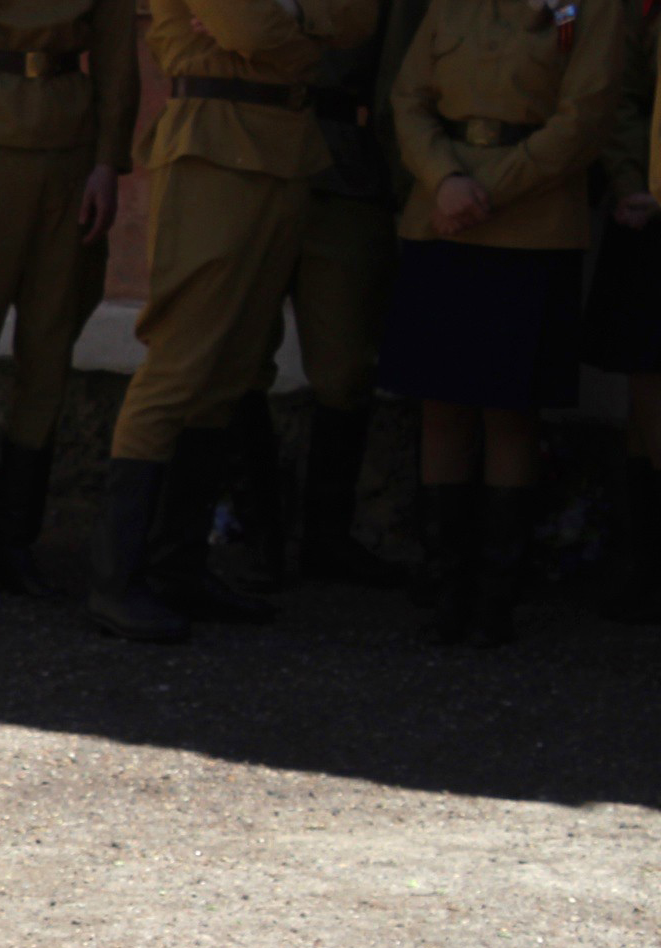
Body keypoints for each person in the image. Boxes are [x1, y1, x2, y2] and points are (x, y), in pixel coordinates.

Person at [91, 0, 380, 642]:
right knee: (179, 362)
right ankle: (117, 580)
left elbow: (359, 17)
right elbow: (248, 25)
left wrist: (285, 15)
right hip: (211, 146)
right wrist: (301, 34)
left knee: (230, 372)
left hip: (285, 150)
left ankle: (178, 569)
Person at [376, 0, 622, 644]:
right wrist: (446, 179)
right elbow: (408, 97)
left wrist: (485, 189)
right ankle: (443, 586)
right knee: (441, 403)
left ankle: (494, 597)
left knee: (510, 409)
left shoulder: (591, 9)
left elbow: (585, 119)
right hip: (442, 215)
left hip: (530, 226)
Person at [0, 0, 137, 598]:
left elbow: (115, 53)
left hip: (69, 147)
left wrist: (109, 161)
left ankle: (16, 544)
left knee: (48, 350)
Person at [217, 12, 406, 590]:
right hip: (248, 152)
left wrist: (404, 186)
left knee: (346, 365)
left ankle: (326, 537)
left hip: (344, 163)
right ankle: (258, 531)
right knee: (239, 351)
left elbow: (398, 71)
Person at [582, 0, 660, 622]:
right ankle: (644, 564)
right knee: (645, 392)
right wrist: (639, 181)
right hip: (649, 213)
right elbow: (621, 93)